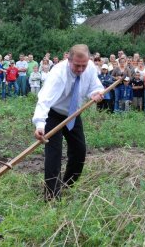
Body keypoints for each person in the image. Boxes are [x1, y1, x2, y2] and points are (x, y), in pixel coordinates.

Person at [32, 44, 104, 201]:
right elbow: (44, 100)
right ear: (68, 59)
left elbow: (95, 86)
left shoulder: (89, 67)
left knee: (79, 151)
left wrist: (96, 93)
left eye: (83, 65)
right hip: (54, 114)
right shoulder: (58, 73)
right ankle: (52, 195)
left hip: (73, 114)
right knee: (54, 153)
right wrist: (39, 125)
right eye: (77, 65)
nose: (80, 69)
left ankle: (66, 185)